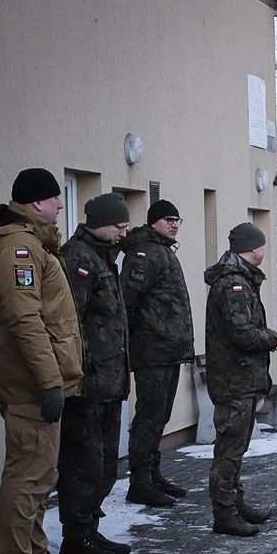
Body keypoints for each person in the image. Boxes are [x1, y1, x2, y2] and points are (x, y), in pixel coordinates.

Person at [0, 168, 84, 554]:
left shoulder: (33, 243)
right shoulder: (19, 248)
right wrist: (49, 382)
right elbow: (25, 319)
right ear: (37, 202)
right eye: (56, 199)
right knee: (27, 475)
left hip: (40, 379)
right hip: (29, 383)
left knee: (42, 473)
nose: (61, 205)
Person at [55, 193, 132, 554]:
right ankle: (76, 537)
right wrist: (78, 373)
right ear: (98, 223)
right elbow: (69, 321)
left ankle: (89, 529)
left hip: (110, 379)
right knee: (83, 464)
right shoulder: (78, 257)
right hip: (88, 381)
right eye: (118, 225)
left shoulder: (104, 257)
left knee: (104, 464)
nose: (124, 232)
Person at [204, 223, 277, 537]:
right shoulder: (233, 284)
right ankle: (224, 514)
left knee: (237, 449)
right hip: (233, 380)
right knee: (229, 451)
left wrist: (265, 336)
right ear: (253, 248)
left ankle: (235, 503)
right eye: (263, 244)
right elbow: (240, 332)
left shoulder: (241, 279)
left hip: (241, 378)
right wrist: (269, 338)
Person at [120, 198, 193, 507]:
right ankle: (139, 481)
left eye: (177, 219)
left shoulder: (162, 250)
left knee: (160, 415)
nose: (174, 224)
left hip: (168, 349)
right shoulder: (145, 254)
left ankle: (153, 474)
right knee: (149, 416)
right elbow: (127, 301)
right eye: (168, 219)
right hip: (152, 350)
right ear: (154, 222)